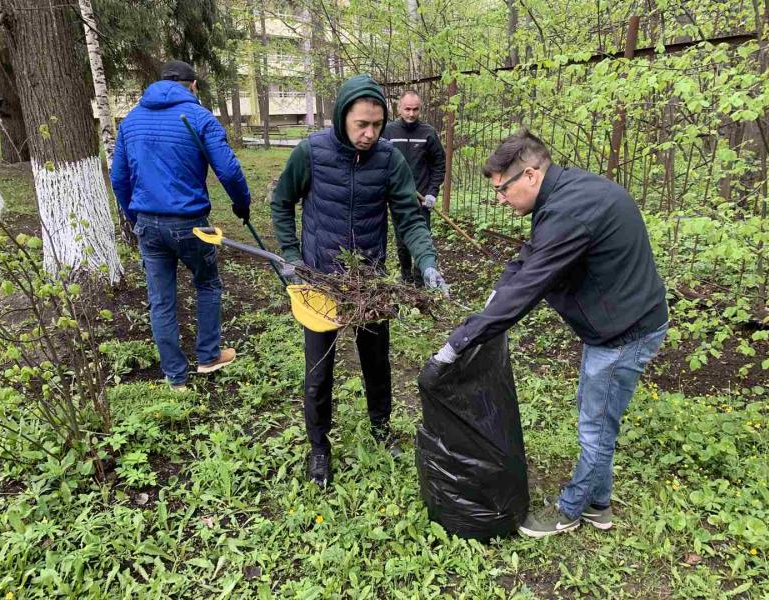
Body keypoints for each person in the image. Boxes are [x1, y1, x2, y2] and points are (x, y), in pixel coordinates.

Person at [422, 129, 668, 537]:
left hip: (626, 334)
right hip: (619, 323)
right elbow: (529, 258)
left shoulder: (569, 212)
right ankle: (599, 506)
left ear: (531, 176)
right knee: (597, 417)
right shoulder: (565, 195)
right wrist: (495, 295)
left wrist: (457, 344)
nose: (499, 198)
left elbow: (530, 286)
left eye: (502, 189)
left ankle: (568, 513)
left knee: (596, 428)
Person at [271, 74, 448, 487]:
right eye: (361, 125)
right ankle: (319, 448)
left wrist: (427, 263)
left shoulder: (388, 160)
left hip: (369, 281)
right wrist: (293, 258)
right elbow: (282, 203)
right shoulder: (311, 153)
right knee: (318, 371)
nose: (369, 134)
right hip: (320, 282)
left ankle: (381, 429)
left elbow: (409, 217)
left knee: (376, 361)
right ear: (341, 118)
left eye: (376, 125)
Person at [111, 60, 251, 390]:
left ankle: (175, 377)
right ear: (191, 86)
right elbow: (228, 171)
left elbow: (119, 178)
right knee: (207, 283)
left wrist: (134, 217)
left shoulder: (130, 121)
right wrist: (241, 204)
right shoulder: (198, 118)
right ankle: (208, 356)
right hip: (189, 223)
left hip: (148, 223)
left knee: (161, 299)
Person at [382, 90, 446, 285]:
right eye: (407, 109)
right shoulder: (388, 133)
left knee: (422, 237)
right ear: (399, 108)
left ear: (420, 109)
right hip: (397, 197)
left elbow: (439, 164)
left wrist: (432, 193)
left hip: (421, 199)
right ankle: (406, 276)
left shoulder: (427, 133)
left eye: (415, 109)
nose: (411, 114)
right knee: (402, 240)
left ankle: (421, 279)